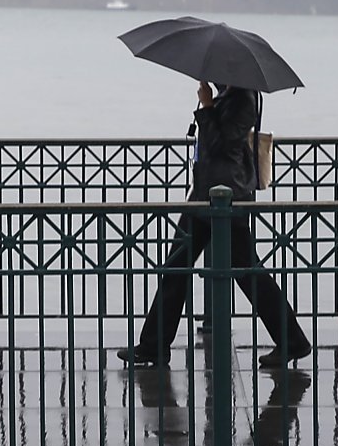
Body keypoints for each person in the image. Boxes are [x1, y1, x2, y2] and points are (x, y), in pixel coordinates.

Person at [117, 81, 312, 368]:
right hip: (206, 197)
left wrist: (207, 107)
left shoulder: (244, 98)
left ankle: (293, 341)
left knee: (247, 272)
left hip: (226, 198)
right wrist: (209, 104)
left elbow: (222, 145)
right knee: (177, 267)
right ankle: (153, 345)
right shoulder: (229, 94)